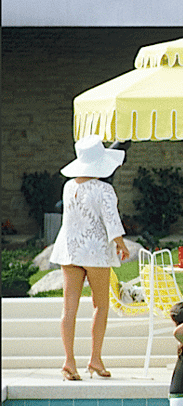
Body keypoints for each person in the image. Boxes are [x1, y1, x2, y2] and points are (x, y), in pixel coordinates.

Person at [50, 135, 130, 381]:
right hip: (94, 251)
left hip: (70, 250)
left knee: (69, 309)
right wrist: (121, 244)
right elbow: (111, 221)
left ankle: (69, 362)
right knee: (101, 305)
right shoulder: (104, 189)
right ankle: (95, 359)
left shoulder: (68, 186)